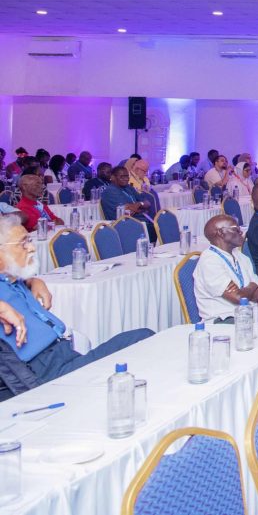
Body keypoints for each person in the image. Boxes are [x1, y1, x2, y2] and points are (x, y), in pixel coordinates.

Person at [0, 215, 153, 401]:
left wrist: (34, 280)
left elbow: (20, 278)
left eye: (29, 241)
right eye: (23, 243)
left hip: (67, 354)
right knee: (142, 339)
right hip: (46, 375)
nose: (31, 248)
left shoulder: (12, 278)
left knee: (145, 339)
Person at [195, 215, 258, 321]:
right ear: (221, 233)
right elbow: (238, 298)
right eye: (236, 229)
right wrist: (253, 285)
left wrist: (245, 291)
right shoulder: (210, 261)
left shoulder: (241, 256)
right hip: (223, 319)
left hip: (249, 313)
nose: (241, 232)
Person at [100, 165, 157, 241]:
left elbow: (147, 203)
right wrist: (140, 206)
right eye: (122, 177)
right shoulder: (110, 191)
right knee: (155, 227)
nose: (126, 179)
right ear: (113, 177)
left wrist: (138, 204)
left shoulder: (128, 187)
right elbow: (127, 211)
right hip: (122, 224)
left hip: (138, 219)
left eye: (127, 176)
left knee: (161, 224)